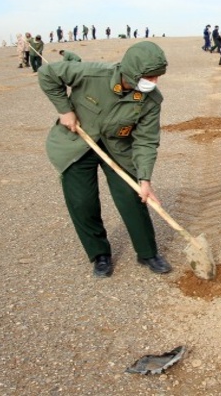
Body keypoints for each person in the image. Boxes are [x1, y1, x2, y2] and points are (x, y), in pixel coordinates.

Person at [38, 41, 172, 278]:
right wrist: (64, 109)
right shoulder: (92, 74)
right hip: (75, 145)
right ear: (131, 71)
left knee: (132, 197)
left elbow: (146, 141)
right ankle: (100, 254)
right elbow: (47, 73)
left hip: (117, 149)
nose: (153, 82)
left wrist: (144, 178)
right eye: (149, 77)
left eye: (157, 77)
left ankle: (147, 253)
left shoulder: (151, 100)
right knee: (82, 202)